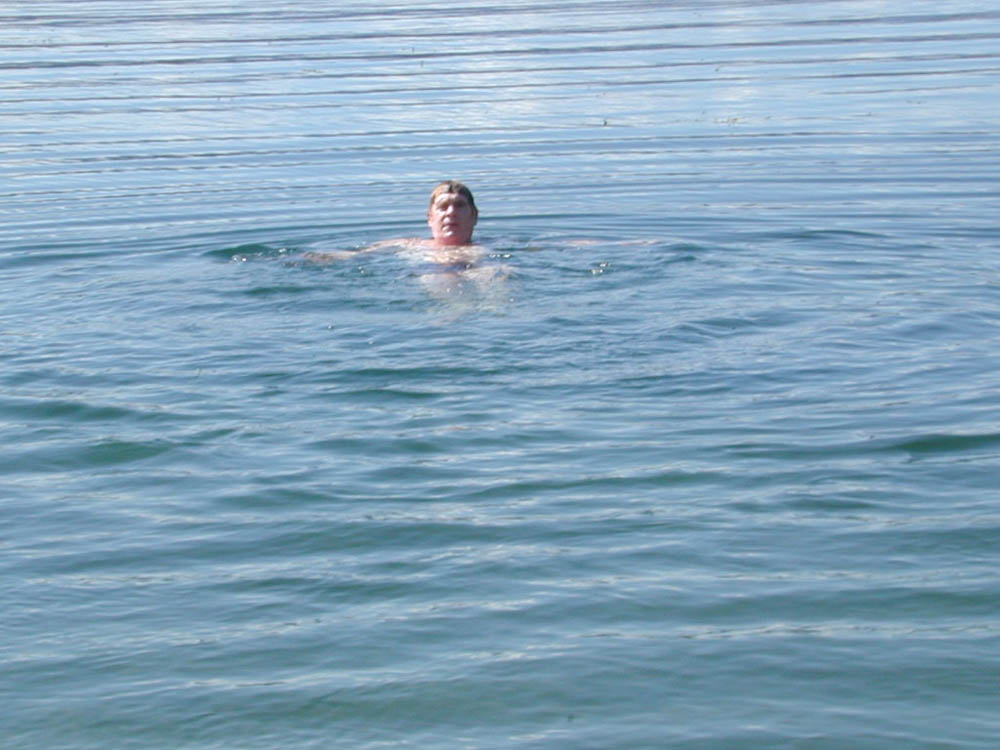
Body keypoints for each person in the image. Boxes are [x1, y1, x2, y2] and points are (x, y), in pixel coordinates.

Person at [303, 180, 483, 266]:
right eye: (443, 207)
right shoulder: (407, 245)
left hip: (479, 268)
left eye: (459, 206)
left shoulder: (492, 247)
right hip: (434, 272)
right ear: (430, 218)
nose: (451, 213)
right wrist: (310, 258)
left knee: (492, 274)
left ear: (474, 216)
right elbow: (354, 256)